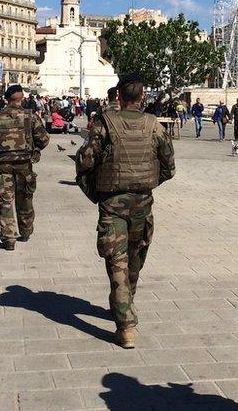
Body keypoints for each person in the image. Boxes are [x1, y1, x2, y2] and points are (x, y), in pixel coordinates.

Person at [75, 74, 175, 349]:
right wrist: (147, 182)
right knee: (134, 258)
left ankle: (126, 325)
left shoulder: (104, 123)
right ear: (142, 97)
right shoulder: (154, 125)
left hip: (112, 202)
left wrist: (94, 188)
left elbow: (85, 160)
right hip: (143, 203)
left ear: (119, 96)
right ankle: (125, 306)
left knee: (117, 260)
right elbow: (169, 166)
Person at [0, 85, 50, 251]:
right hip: (24, 166)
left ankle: (8, 239)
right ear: (22, 98)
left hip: (3, 167)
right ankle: (25, 230)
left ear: (6, 98)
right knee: (25, 200)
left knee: (5, 202)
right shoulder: (30, 116)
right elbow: (43, 139)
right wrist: (35, 150)